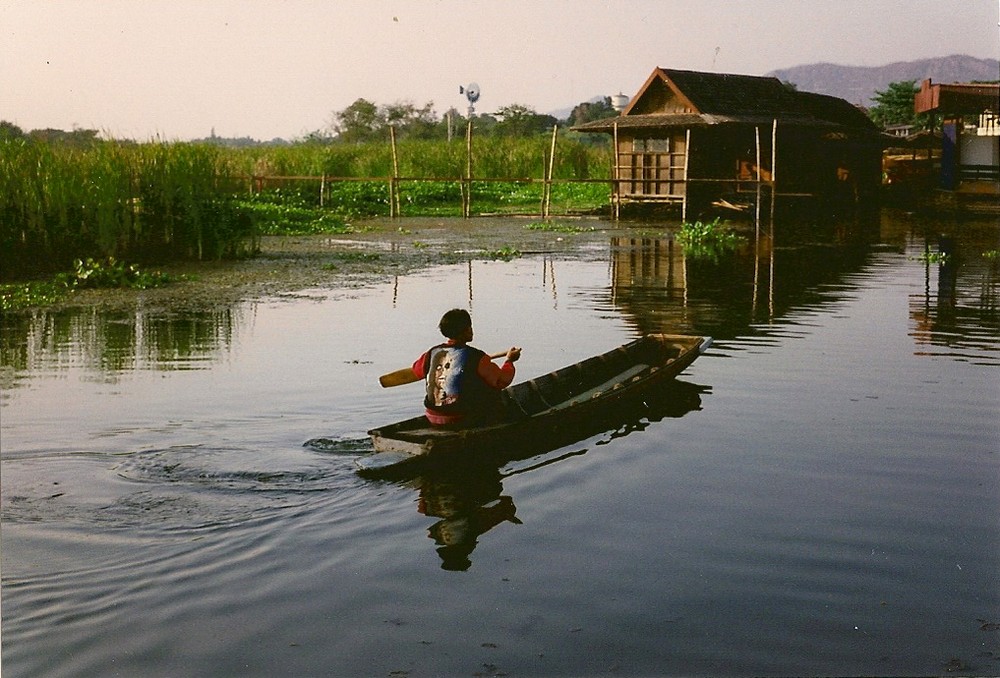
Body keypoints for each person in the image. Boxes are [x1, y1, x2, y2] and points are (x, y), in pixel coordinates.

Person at [411, 308, 521, 427]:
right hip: (462, 417)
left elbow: (416, 371)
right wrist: (509, 361)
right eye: (470, 327)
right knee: (495, 391)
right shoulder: (477, 357)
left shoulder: (431, 353)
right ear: (467, 330)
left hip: (432, 416)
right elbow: (501, 380)